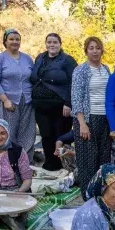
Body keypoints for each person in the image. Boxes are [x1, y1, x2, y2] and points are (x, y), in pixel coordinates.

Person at [30, 33, 78, 171]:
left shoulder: (67, 60)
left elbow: (73, 82)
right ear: (46, 44)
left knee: (60, 136)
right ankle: (50, 165)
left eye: (55, 42)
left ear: (60, 44)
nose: (52, 45)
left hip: (60, 106)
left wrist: (68, 103)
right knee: (46, 136)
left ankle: (63, 165)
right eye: (49, 42)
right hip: (41, 106)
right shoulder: (40, 58)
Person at [72, 37, 112, 198]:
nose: (95, 51)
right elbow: (76, 98)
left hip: (105, 118)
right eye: (91, 48)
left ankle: (101, 193)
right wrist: (82, 123)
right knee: (87, 160)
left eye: (97, 48)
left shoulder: (106, 69)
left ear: (102, 50)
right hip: (87, 119)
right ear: (86, 51)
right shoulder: (81, 70)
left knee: (103, 158)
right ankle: (88, 196)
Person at [0, 29, 36, 154]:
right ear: (5, 41)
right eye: (11, 39)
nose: (15, 42)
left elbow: (33, 78)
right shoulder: (0, 59)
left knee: (27, 130)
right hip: (8, 100)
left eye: (17, 39)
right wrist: (5, 100)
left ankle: (25, 159)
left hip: (27, 100)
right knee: (8, 130)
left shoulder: (27, 58)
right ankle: (9, 159)